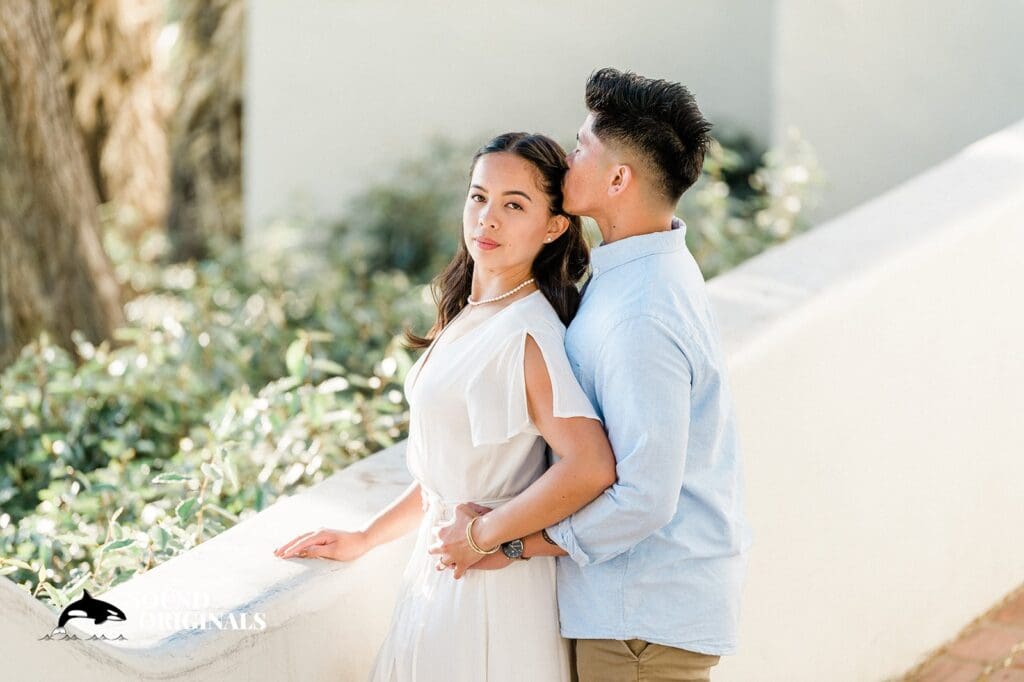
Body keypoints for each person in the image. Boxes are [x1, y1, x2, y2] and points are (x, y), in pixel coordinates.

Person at [432, 68, 753, 681]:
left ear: (617, 178)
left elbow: (645, 497)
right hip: (635, 612)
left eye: (582, 147)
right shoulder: (631, 274)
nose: (568, 157)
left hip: (642, 620)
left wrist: (504, 541)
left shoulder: (642, 312)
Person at [273, 131, 619, 681]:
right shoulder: (476, 312)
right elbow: (450, 474)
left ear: (554, 227)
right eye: (479, 197)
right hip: (441, 575)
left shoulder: (527, 334)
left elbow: (592, 465)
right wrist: (366, 537)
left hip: (488, 590)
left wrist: (487, 535)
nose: (488, 219)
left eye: (514, 205)